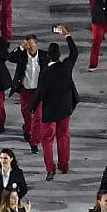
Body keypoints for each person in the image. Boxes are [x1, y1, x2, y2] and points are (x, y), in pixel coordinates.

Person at [29, 24, 78, 180]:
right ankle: (64, 165)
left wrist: (32, 108)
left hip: (49, 111)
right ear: (59, 55)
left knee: (47, 140)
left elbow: (40, 93)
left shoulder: (45, 74)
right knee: (64, 136)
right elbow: (74, 52)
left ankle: (50, 168)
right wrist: (66, 35)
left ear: (48, 57)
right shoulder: (66, 67)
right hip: (65, 109)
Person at [8, 35, 48, 154]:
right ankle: (27, 129)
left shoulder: (44, 56)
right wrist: (20, 47)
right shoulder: (21, 55)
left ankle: (34, 142)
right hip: (25, 91)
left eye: (31, 44)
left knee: (37, 118)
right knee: (26, 114)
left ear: (36, 44)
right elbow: (10, 57)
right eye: (27, 45)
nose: (29, 47)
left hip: (38, 92)